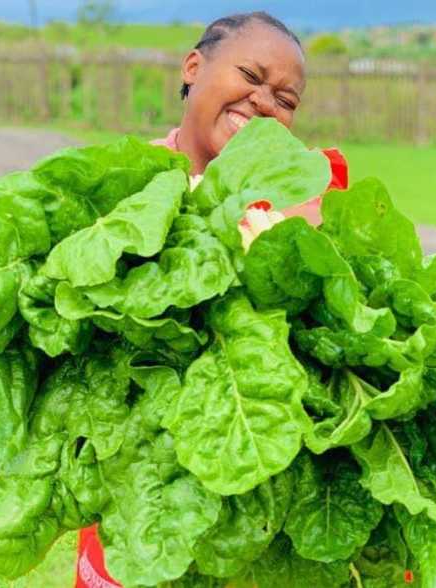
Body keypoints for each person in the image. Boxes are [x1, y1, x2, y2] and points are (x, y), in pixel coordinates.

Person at [74, 12, 346, 588]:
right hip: (138, 490)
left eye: (286, 98)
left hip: (255, 508)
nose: (263, 101)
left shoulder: (306, 203)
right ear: (194, 68)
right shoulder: (120, 188)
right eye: (250, 74)